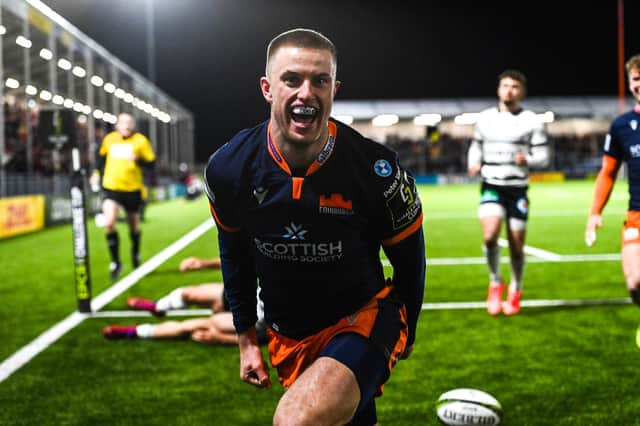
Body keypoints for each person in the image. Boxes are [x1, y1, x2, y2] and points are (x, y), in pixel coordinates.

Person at [204, 28, 425, 425]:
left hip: (363, 317)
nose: (307, 92)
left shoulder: (376, 169)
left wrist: (410, 326)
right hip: (289, 333)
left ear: (334, 89)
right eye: (292, 79)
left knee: (297, 419)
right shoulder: (229, 168)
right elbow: (234, 257)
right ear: (267, 88)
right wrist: (245, 338)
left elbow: (410, 258)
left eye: (320, 80)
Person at [467, 70, 549, 316]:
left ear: (521, 91)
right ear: (498, 89)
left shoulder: (532, 120)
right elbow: (475, 146)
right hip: (492, 184)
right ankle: (495, 282)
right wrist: (473, 161)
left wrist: (529, 160)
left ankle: (516, 288)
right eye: (505, 85)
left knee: (516, 245)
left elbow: (544, 157)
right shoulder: (484, 119)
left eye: (515, 86)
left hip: (517, 189)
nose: (509, 90)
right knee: (490, 236)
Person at [585, 54, 640, 346]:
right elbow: (607, 172)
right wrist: (595, 212)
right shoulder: (622, 126)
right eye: (636, 79)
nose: (639, 84)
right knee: (635, 284)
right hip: (637, 216)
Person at [91, 113, 156, 280]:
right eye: (123, 123)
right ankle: (116, 262)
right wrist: (96, 173)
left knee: (133, 227)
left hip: (132, 189)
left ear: (132, 125)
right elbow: (101, 159)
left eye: (129, 122)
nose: (126, 125)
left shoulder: (140, 141)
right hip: (111, 187)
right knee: (110, 223)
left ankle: (135, 253)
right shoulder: (109, 139)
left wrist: (138, 160)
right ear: (117, 125)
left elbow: (151, 164)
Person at [102, 283, 266, 345]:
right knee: (188, 293)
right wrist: (202, 264)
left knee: (189, 326)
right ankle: (157, 307)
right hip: (250, 292)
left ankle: (133, 332)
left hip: (255, 319)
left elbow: (266, 338)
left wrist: (221, 338)